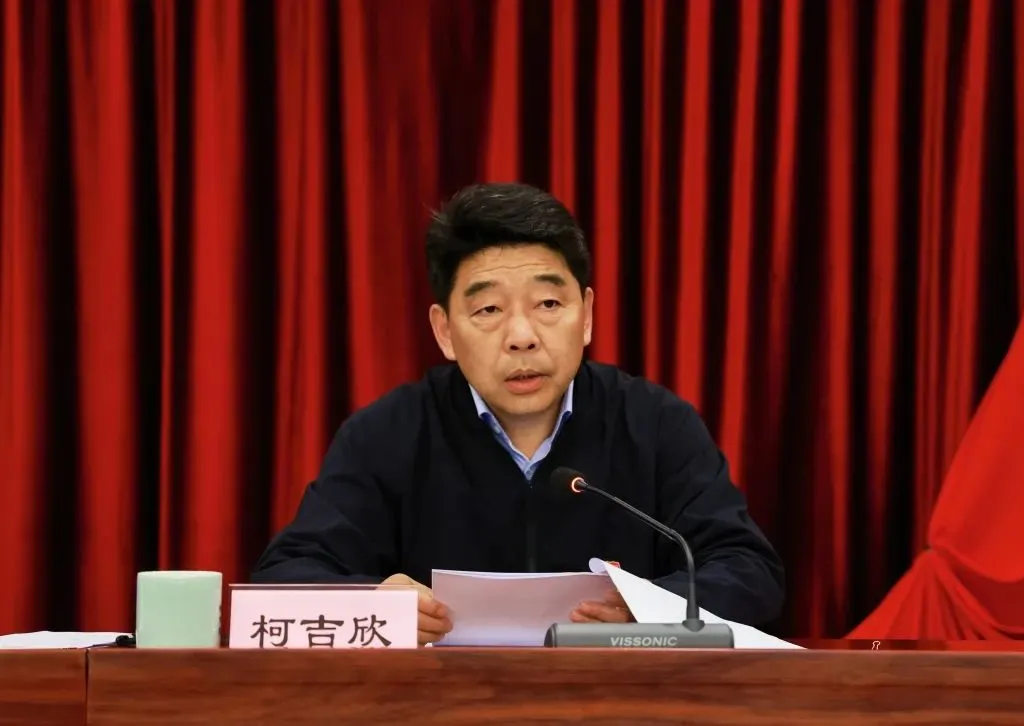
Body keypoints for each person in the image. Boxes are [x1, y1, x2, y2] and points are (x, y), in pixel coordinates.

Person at [251, 182, 785, 644]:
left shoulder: (654, 423)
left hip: (615, 706)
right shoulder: (389, 434)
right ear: (444, 331)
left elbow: (748, 570)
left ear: (587, 315)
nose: (522, 337)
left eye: (548, 304)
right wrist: (373, 602)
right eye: (488, 309)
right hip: (439, 708)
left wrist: (648, 608)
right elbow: (283, 578)